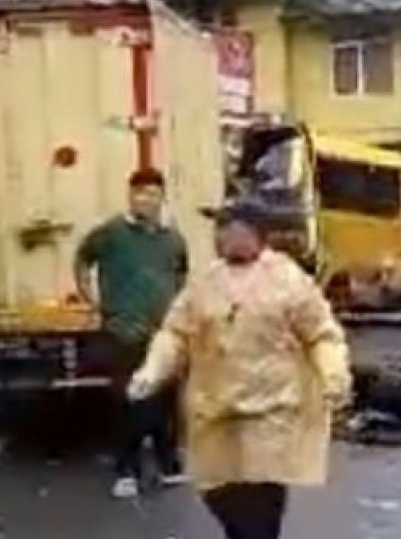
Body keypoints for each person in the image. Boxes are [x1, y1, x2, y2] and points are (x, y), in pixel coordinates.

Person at [128, 201, 351, 539]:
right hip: (215, 410)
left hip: (270, 411)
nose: (226, 238)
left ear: (258, 236)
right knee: (220, 495)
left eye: (235, 230)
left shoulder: (288, 280)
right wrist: (152, 370)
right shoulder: (205, 282)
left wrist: (333, 375)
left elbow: (322, 334)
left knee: (260, 506)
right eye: (222, 231)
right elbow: (175, 333)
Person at [75, 168, 189, 499]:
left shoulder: (172, 239)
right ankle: (126, 471)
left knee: (165, 401)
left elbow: (181, 274)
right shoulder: (111, 233)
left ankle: (169, 466)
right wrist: (91, 298)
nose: (145, 200)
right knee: (129, 402)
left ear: (161, 198)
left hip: (163, 334)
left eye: (152, 194)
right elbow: (83, 259)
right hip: (123, 331)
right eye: (139, 193)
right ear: (130, 195)